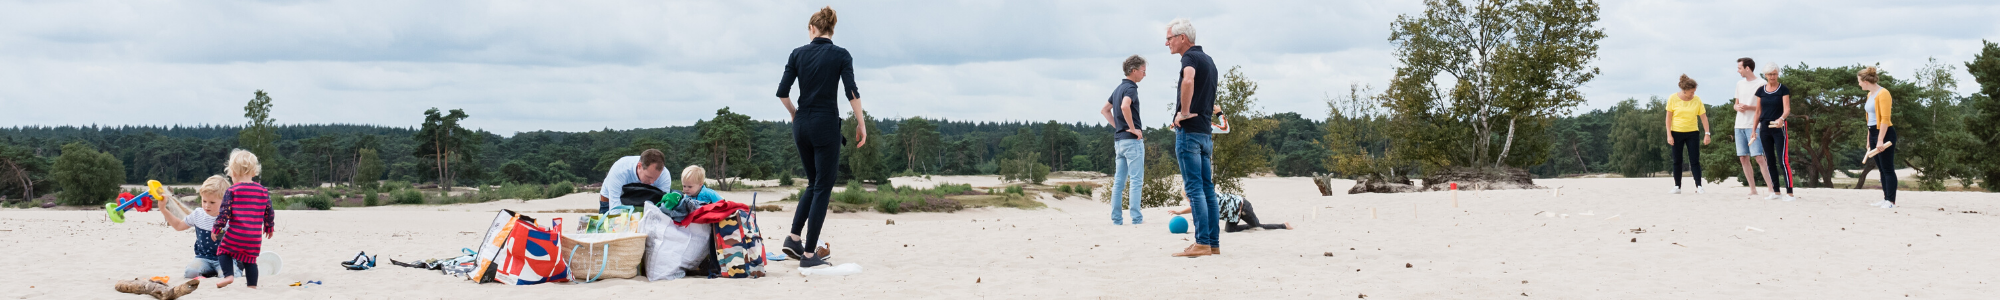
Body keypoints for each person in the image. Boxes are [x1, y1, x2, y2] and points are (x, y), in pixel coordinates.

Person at [776, 6, 865, 268]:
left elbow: (782, 92)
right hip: (825, 124)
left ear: (812, 29)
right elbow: (851, 92)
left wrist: (794, 114)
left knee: (813, 183)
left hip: (801, 124)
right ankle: (808, 254)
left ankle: (794, 238)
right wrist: (861, 124)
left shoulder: (797, 53)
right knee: (823, 188)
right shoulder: (841, 55)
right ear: (831, 29)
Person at [1163, 17, 1221, 258]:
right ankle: (1213, 244)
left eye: (1169, 38)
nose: (1166, 43)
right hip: (1205, 134)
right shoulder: (1209, 60)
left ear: (1182, 38)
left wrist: (1183, 113)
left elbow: (1188, 79)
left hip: (1189, 134)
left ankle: (1201, 243)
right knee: (1208, 189)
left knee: (1194, 189)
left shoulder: (1189, 58)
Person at [213, 149, 273, 289]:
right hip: (254, 237)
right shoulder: (263, 191)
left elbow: (224, 212)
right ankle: (252, 286)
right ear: (254, 172)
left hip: (236, 233)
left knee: (223, 251)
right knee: (250, 260)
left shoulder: (232, 190)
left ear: (233, 173)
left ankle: (228, 275)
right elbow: (269, 211)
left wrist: (217, 227)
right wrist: (269, 226)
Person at [1100, 55, 1146, 225]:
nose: (1144, 74)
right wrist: (1132, 128)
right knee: (1136, 180)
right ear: (1134, 71)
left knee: (1119, 182)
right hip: (1132, 141)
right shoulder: (1131, 88)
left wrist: (1118, 126)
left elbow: (1105, 110)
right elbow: (1125, 106)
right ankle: (1136, 218)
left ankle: (1117, 219)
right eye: (1143, 71)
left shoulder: (1118, 88)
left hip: (1119, 141)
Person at [160, 175, 235, 279]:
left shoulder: (230, 218)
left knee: (227, 276)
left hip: (226, 258)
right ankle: (210, 273)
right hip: (203, 258)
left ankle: (222, 271)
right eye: (204, 201)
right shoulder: (198, 214)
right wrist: (163, 209)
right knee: (190, 272)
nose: (207, 205)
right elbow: (178, 226)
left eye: (212, 202)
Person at [1755, 66, 1799, 201]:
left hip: (1779, 127)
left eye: (1774, 74)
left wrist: (1781, 119)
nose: (1772, 76)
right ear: (1765, 75)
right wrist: (1753, 130)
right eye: (1769, 74)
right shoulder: (1761, 91)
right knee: (1770, 159)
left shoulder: (1783, 89)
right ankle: (1775, 191)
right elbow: (1757, 112)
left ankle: (1790, 193)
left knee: (1783, 159)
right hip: (1764, 127)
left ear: (1778, 74)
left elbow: (1787, 109)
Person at [1665, 75, 1713, 195]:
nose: (1693, 94)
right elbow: (1668, 118)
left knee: (1694, 160)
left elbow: (1704, 118)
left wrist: (1707, 133)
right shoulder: (1672, 98)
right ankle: (1677, 186)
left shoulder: (1697, 100)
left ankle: (1699, 186)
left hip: (1692, 133)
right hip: (1676, 132)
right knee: (1677, 160)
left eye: (1694, 92)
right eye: (1691, 92)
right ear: (1684, 90)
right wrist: (1669, 134)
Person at [1858, 67, 1898, 208]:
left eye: (1860, 82)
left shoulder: (1883, 93)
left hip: (1885, 133)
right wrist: (1870, 138)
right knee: (1881, 168)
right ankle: (1885, 197)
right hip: (1874, 132)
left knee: (1887, 168)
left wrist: (1880, 139)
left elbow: (1885, 119)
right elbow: (1871, 119)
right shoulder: (1870, 95)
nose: (1859, 85)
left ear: (1866, 81)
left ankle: (1890, 200)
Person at [1731, 58, 1772, 197]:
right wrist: (1737, 107)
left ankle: (1771, 189)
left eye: (1740, 68)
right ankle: (1752, 189)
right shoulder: (1739, 84)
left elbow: (1765, 106)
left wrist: (1749, 107)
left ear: (1747, 68)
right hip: (1739, 125)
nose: (1738, 70)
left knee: (1759, 157)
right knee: (1743, 157)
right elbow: (1735, 104)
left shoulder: (1762, 83)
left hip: (1754, 125)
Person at [1167, 192, 1292, 233]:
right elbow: (1195, 209)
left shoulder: (1204, 197)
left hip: (1243, 207)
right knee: (1229, 230)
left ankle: (1283, 225)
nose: (1189, 200)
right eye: (1187, 198)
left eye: (1189, 197)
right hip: (1232, 213)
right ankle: (1250, 228)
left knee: (1258, 226)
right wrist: (1178, 212)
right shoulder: (1199, 200)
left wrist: (1179, 212)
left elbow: (1196, 209)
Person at [597, 149, 671, 214]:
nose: (652, 182)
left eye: (656, 178)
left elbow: (663, 205)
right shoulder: (620, 170)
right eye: (648, 177)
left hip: (645, 202)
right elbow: (614, 209)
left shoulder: (664, 175)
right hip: (612, 201)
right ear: (639, 166)